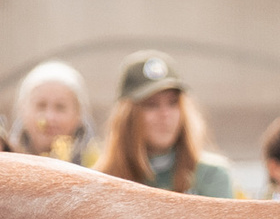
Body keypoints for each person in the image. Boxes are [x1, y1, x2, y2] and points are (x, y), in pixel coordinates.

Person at [97, 51, 236, 197]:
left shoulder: (210, 175)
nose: (165, 114)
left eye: (173, 103)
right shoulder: (102, 180)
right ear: (128, 116)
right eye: (151, 105)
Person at [12, 60, 97, 164]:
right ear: (23, 110)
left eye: (60, 107)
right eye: (41, 106)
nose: (49, 118)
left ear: (78, 115)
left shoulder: (99, 167)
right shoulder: (3, 165)